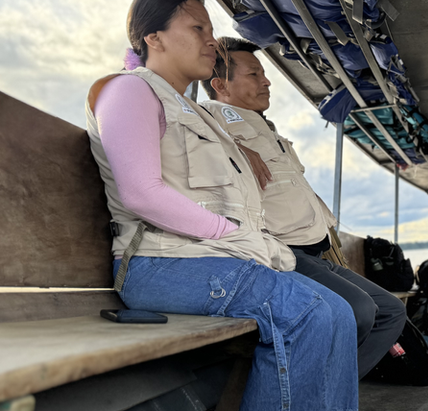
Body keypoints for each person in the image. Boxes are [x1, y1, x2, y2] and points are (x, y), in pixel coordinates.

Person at [85, 1, 357, 409]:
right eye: (198, 28)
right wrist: (234, 235)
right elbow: (141, 193)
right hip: (162, 263)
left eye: (211, 31)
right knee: (308, 313)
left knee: (339, 313)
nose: (212, 41)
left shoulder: (199, 114)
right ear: (154, 38)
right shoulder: (128, 90)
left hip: (212, 259)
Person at [200, 36, 406, 379]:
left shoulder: (266, 129)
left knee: (391, 311)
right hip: (280, 255)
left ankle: (332, 388)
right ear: (220, 85)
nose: (266, 81)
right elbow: (177, 114)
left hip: (316, 253)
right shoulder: (210, 118)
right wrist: (232, 145)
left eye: (263, 73)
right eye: (253, 74)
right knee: (359, 310)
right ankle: (317, 389)